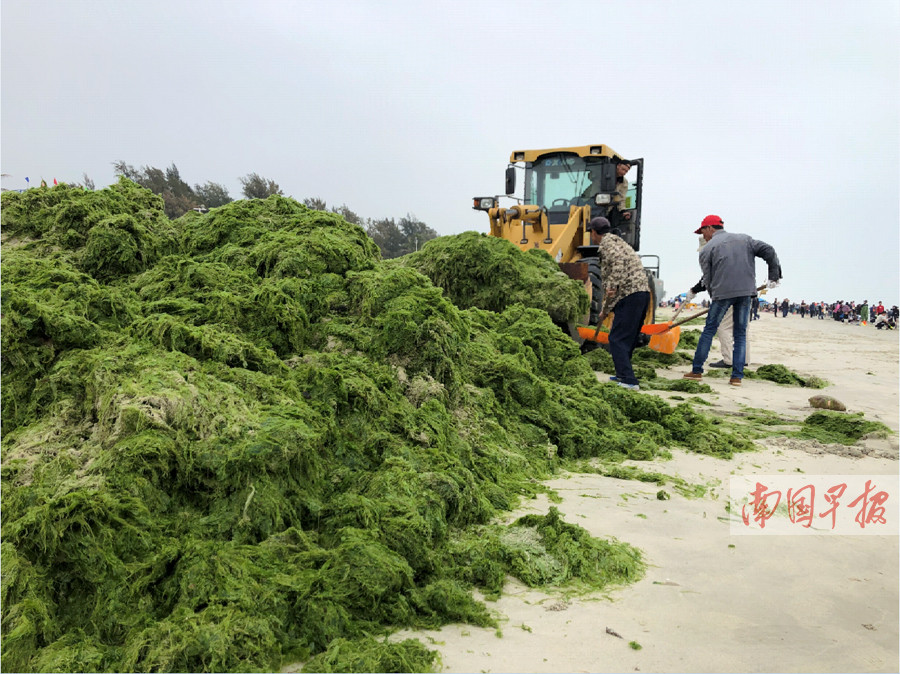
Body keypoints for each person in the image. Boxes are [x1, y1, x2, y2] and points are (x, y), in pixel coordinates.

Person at [683, 215, 781, 386]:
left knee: (709, 330)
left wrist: (709, 295)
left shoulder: (707, 250)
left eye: (702, 231)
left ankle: (697, 371)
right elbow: (769, 250)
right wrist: (774, 275)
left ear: (710, 229)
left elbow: (707, 279)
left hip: (722, 294)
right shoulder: (746, 239)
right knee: (740, 334)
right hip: (746, 292)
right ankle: (736, 377)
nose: (703, 236)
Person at [588, 216, 650, 390]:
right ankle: (623, 375)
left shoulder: (608, 245)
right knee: (627, 337)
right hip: (641, 293)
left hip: (629, 295)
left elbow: (617, 264)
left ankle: (629, 381)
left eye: (591, 232)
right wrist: (606, 309)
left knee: (616, 338)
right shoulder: (620, 242)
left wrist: (612, 287)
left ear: (594, 232)